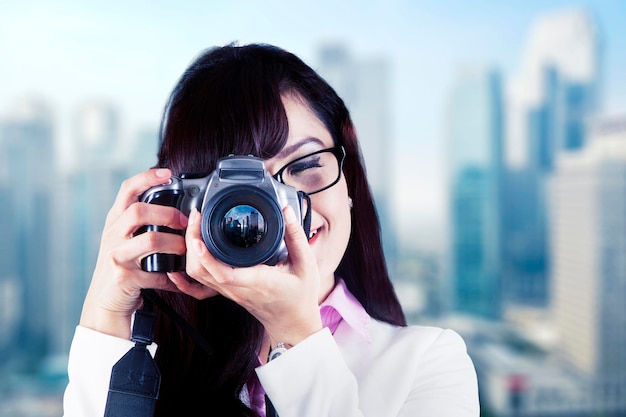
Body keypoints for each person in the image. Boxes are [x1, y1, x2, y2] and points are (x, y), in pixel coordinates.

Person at [63, 43, 479, 416]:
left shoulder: (428, 362)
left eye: (305, 166)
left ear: (348, 180)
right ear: (183, 206)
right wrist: (104, 321)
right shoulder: (144, 368)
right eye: (234, 190)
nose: (280, 210)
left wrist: (297, 335)